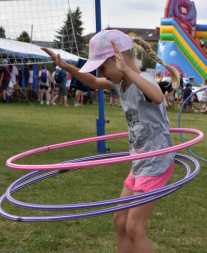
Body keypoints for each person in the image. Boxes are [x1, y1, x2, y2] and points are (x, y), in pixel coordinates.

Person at [42, 29, 179, 253]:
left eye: (104, 67)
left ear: (118, 59)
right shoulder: (119, 82)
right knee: (119, 222)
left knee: (134, 227)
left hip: (156, 161)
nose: (103, 73)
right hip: (140, 161)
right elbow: (94, 83)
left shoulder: (143, 81)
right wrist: (66, 66)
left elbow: (156, 96)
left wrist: (126, 69)